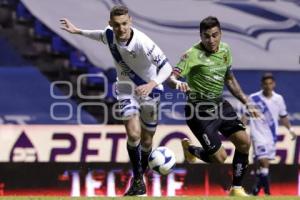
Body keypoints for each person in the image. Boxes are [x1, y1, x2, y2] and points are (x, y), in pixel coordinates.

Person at [60, 5, 172, 196]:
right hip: (126, 89)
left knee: (146, 140)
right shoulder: (110, 35)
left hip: (150, 91)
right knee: (134, 134)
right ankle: (138, 181)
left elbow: (167, 68)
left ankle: (138, 182)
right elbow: (99, 35)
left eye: (124, 24)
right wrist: (78, 31)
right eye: (117, 25)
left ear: (131, 22)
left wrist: (152, 84)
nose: (121, 29)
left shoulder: (143, 42)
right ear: (110, 24)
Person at [168, 16, 260, 196]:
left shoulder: (225, 50)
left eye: (214, 35)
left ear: (220, 34)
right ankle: (192, 150)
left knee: (244, 142)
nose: (211, 40)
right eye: (206, 36)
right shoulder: (191, 54)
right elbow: (171, 77)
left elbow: (230, 79)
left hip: (220, 106)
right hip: (198, 113)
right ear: (200, 36)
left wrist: (246, 101)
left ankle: (237, 188)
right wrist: (176, 83)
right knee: (220, 158)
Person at [242, 73, 297, 196]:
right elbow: (246, 116)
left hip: (271, 136)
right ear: (262, 85)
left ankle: (259, 189)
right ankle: (266, 191)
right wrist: (240, 129)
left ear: (274, 84)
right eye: (265, 84)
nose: (268, 86)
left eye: (270, 83)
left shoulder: (279, 99)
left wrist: (291, 129)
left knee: (263, 167)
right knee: (263, 161)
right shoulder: (254, 98)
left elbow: (283, 117)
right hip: (257, 135)